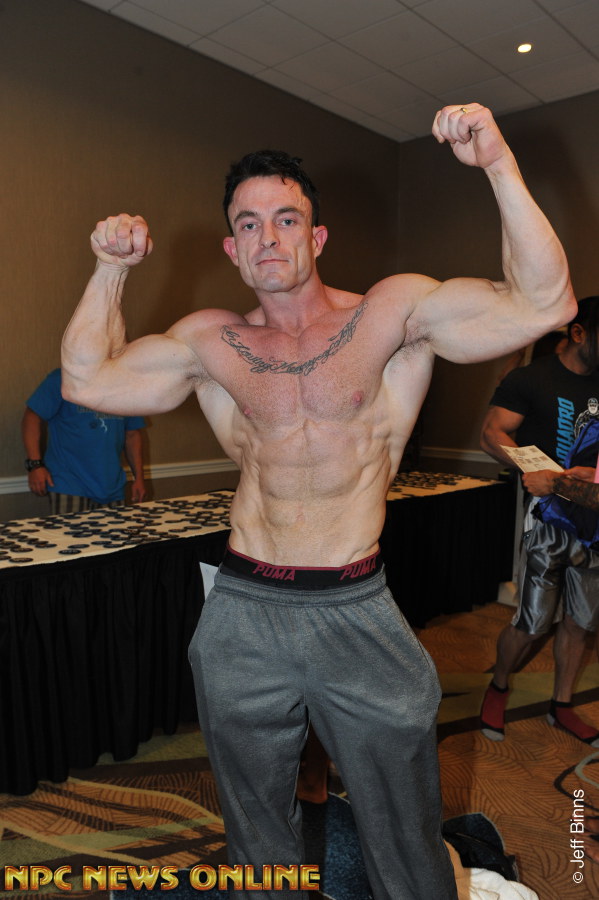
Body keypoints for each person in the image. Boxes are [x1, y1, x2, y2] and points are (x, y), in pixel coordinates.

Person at [61, 104, 575, 899]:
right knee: (255, 832)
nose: (267, 237)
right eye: (248, 224)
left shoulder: (390, 314)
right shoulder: (211, 341)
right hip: (243, 608)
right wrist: (107, 268)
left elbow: (544, 304)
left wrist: (497, 165)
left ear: (317, 236)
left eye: (286, 219)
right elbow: (87, 380)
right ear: (232, 248)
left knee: (403, 828)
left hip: (353, 605)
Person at [479, 297, 599, 747]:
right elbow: (492, 433)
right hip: (547, 519)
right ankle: (499, 686)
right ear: (578, 333)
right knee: (532, 623)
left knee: (581, 623)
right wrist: (539, 471)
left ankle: (561, 705)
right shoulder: (532, 378)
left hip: (595, 522)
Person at [23, 367, 146, 513]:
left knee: (115, 529)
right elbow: (32, 417)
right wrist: (35, 465)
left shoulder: (126, 385)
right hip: (69, 483)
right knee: (71, 529)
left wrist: (139, 478)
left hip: (112, 486)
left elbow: (132, 435)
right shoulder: (63, 378)